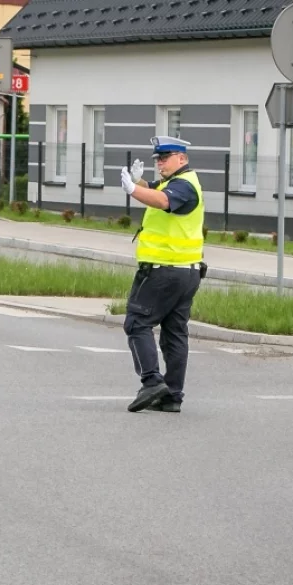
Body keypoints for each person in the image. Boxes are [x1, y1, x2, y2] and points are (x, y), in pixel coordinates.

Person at [119, 136, 206, 413]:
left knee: (137, 323)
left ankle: (151, 381)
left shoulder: (184, 186)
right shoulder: (178, 182)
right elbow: (155, 189)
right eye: (158, 159)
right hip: (186, 273)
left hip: (163, 271)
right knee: (174, 334)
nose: (159, 164)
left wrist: (133, 189)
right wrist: (139, 182)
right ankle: (172, 396)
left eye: (165, 158)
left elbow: (162, 200)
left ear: (182, 158)